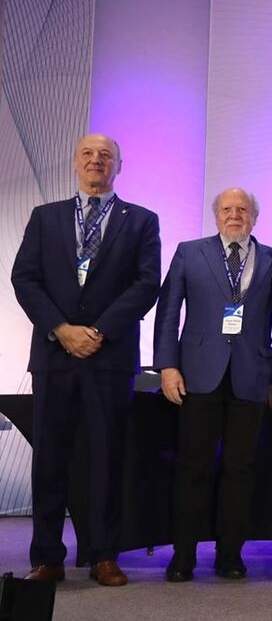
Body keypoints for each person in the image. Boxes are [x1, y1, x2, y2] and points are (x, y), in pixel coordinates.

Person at [12, 133, 161, 586]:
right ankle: (47, 557)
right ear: (75, 163)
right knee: (50, 461)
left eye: (106, 156)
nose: (97, 161)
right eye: (88, 155)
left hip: (108, 357)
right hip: (55, 357)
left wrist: (97, 332)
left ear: (119, 165)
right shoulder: (46, 217)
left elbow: (146, 283)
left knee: (106, 458)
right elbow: (25, 278)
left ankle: (103, 555)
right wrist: (61, 329)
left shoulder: (141, 220)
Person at [153, 187, 272, 582]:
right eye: (227, 209)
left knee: (240, 469)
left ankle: (230, 555)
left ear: (255, 217)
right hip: (198, 375)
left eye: (243, 209)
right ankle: (183, 555)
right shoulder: (191, 253)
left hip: (251, 377)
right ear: (216, 215)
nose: (235, 215)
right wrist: (167, 366)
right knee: (193, 466)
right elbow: (168, 311)